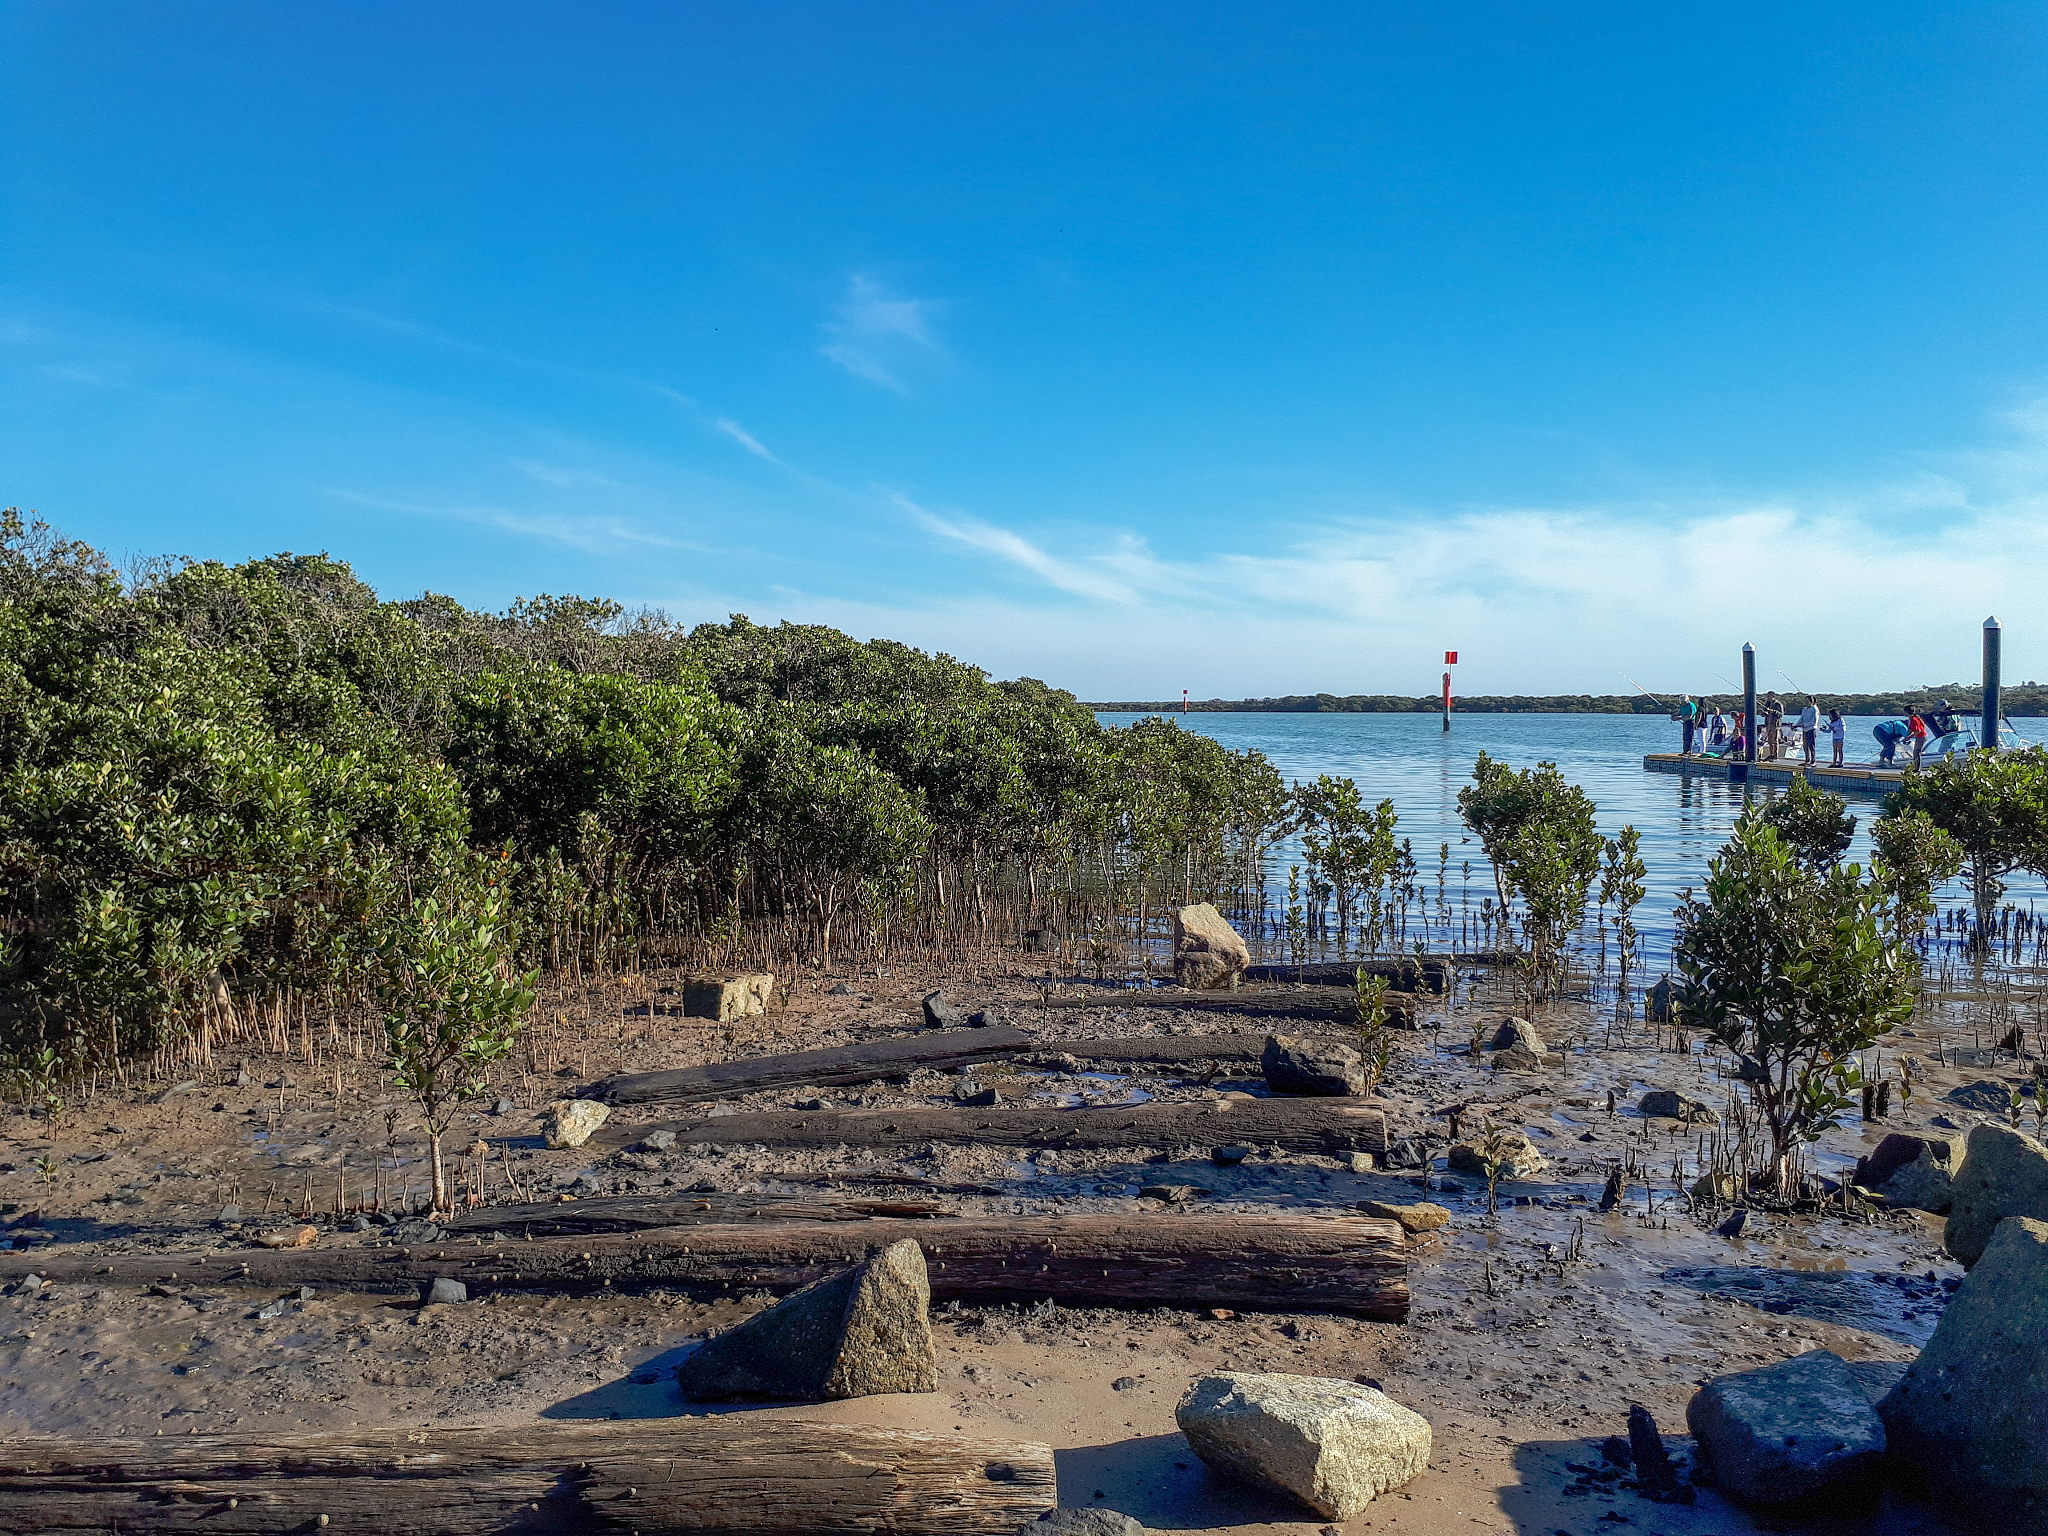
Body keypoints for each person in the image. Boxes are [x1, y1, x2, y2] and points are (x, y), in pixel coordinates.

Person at [1797, 697, 1820, 765]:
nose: (1806, 703)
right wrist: (1796, 725)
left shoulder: (1815, 710)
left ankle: (1813, 761)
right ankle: (1807, 760)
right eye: (1805, 701)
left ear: (1812, 702)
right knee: (1805, 746)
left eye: (1807, 701)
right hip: (1805, 730)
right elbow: (1801, 719)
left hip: (1811, 729)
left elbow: (1814, 721)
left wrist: (1805, 725)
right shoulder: (1804, 710)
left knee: (1811, 745)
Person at [1762, 693, 1784, 761]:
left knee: (1774, 740)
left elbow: (1781, 714)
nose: (1768, 698)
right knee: (1769, 741)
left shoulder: (1778, 704)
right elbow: (1765, 713)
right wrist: (1764, 713)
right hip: (1768, 724)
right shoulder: (1767, 704)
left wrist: (1773, 711)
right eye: (1767, 696)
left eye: (1769, 696)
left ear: (1773, 696)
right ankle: (1771, 754)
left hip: (1775, 725)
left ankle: (1775, 755)